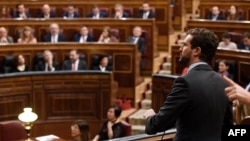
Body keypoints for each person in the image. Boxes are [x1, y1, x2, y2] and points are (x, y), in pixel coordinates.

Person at [143, 28, 233, 141]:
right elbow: (229, 128)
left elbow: (157, 125)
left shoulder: (185, 82)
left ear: (197, 51)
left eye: (185, 45)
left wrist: (150, 116)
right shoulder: (223, 83)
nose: (180, 49)